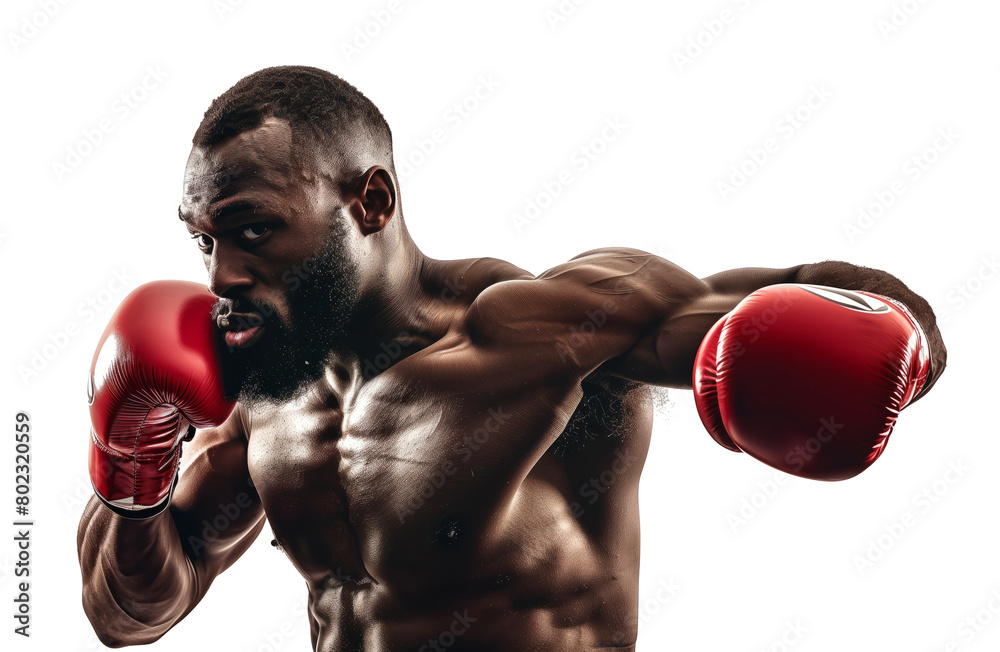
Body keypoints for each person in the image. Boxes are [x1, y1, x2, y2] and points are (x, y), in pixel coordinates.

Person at [77, 66, 946, 651]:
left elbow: (841, 301)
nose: (223, 275)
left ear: (370, 201)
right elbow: (130, 614)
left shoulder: (547, 327)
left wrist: (881, 334)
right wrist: (131, 466)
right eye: (205, 242)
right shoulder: (261, 390)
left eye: (255, 230)